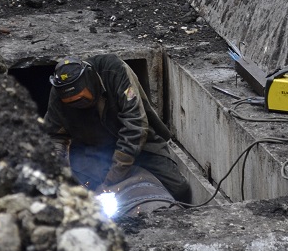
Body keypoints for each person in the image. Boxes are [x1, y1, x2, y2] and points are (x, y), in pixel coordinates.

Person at [44, 54, 192, 203]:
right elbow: (54, 135)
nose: (78, 105)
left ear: (91, 81)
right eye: (72, 103)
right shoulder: (58, 92)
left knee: (179, 188)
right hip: (93, 149)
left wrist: (111, 180)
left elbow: (135, 126)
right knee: (78, 195)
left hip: (140, 143)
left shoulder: (114, 70)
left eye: (82, 99)